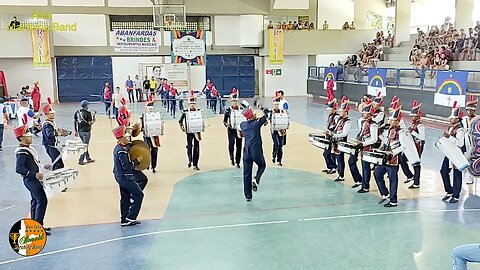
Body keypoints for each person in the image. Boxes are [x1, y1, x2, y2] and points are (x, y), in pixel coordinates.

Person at [14, 115, 51, 235]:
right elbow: (19, 169)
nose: (30, 137)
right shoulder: (22, 152)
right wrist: (34, 175)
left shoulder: (28, 149)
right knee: (42, 201)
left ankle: (35, 224)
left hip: (32, 180)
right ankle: (38, 227)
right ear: (21, 138)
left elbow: (34, 162)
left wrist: (43, 166)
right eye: (27, 136)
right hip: (31, 180)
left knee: (35, 201)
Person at [112, 122, 144, 227]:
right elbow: (127, 166)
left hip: (119, 176)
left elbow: (131, 144)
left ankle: (124, 219)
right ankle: (131, 217)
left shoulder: (119, 147)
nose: (128, 138)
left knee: (125, 197)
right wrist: (137, 161)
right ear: (120, 139)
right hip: (125, 177)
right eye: (125, 137)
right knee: (139, 194)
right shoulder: (122, 151)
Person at [374, 104, 405, 207]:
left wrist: (393, 152)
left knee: (393, 180)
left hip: (393, 159)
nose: (390, 121)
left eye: (392, 120)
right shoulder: (389, 130)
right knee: (377, 173)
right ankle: (385, 193)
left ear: (397, 121)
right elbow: (386, 141)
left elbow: (404, 146)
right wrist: (381, 148)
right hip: (385, 157)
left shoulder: (401, 132)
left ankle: (393, 200)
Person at [238, 100, 269, 202]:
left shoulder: (243, 125)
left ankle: (248, 196)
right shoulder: (256, 123)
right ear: (252, 116)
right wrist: (261, 107)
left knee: (247, 173)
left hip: (246, 151)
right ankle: (256, 179)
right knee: (262, 165)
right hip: (256, 149)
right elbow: (268, 114)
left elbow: (239, 132)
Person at [440, 101, 465, 203]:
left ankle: (456, 195)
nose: (450, 119)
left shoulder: (460, 130)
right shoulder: (451, 128)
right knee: (443, 171)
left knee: (457, 175)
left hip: (457, 155)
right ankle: (449, 191)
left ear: (457, 119)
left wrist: (449, 137)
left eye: (452, 117)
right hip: (449, 153)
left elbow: (460, 143)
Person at [356, 101, 379, 193]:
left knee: (366, 168)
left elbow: (374, 139)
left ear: (369, 114)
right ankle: (364, 184)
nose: (363, 114)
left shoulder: (373, 124)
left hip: (368, 148)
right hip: (363, 147)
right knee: (364, 167)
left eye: (365, 113)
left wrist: (363, 144)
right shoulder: (364, 122)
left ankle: (366, 186)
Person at [401, 100, 425, 189]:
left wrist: (413, 132)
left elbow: (422, 138)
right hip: (412, 145)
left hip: (418, 146)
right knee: (402, 160)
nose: (412, 118)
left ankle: (416, 182)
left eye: (414, 116)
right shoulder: (414, 124)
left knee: (416, 163)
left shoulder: (420, 126)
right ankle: (410, 176)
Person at [330, 96, 351, 182]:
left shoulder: (348, 121)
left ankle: (341, 175)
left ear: (345, 112)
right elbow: (335, 128)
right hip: (335, 141)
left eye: (342, 111)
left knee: (340, 159)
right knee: (335, 156)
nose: (340, 113)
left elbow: (344, 133)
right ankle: (338, 172)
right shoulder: (339, 119)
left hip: (341, 142)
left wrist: (335, 135)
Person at [42, 98, 67, 171]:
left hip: (53, 145)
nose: (53, 114)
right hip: (50, 146)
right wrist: (60, 133)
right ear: (47, 114)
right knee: (58, 163)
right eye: (51, 113)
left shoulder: (51, 122)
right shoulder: (47, 124)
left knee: (56, 162)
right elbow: (49, 134)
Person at [179, 93, 202, 170]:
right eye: (191, 103)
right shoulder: (185, 112)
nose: (192, 105)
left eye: (194, 103)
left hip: (197, 132)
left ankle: (195, 164)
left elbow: (201, 120)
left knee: (196, 148)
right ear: (189, 104)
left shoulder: (199, 111)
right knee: (189, 146)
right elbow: (180, 121)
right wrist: (182, 128)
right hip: (189, 132)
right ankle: (190, 160)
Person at [223, 95, 243, 168]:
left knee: (239, 145)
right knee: (231, 144)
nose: (234, 102)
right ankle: (232, 159)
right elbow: (224, 121)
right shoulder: (228, 110)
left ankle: (238, 161)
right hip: (231, 130)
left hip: (239, 129)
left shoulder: (241, 109)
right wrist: (227, 124)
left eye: (236, 101)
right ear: (231, 102)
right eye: (233, 101)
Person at [74, 100, 96, 165]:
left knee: (84, 144)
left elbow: (75, 122)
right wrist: (94, 119)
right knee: (85, 146)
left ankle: (88, 158)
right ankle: (81, 160)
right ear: (86, 106)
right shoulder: (87, 113)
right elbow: (90, 123)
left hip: (80, 131)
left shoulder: (77, 112)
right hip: (86, 131)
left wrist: (75, 131)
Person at [141, 96, 159, 173]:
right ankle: (147, 163)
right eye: (149, 108)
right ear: (147, 108)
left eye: (151, 108)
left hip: (155, 136)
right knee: (147, 150)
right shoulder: (143, 116)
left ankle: (153, 166)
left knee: (154, 151)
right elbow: (140, 126)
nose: (150, 109)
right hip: (147, 136)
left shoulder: (156, 115)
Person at [463, 96, 477, 185]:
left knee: (473, 159)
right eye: (468, 110)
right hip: (466, 142)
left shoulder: (477, 119)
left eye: (471, 110)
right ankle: (467, 173)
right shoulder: (464, 119)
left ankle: (471, 175)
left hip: (475, 143)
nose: (469, 112)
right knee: (466, 158)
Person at [322, 97, 338, 174]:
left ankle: (334, 167)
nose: (328, 111)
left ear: (334, 110)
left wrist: (331, 131)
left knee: (329, 153)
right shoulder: (330, 116)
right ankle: (329, 167)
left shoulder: (336, 117)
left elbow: (337, 126)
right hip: (329, 136)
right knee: (326, 153)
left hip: (333, 138)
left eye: (330, 110)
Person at [270, 95, 287, 166]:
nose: (276, 106)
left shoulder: (282, 112)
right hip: (274, 130)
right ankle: (274, 156)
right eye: (275, 105)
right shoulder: (271, 112)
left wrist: (284, 129)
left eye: (277, 104)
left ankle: (279, 160)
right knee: (276, 143)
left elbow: (285, 120)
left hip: (281, 129)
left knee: (280, 145)